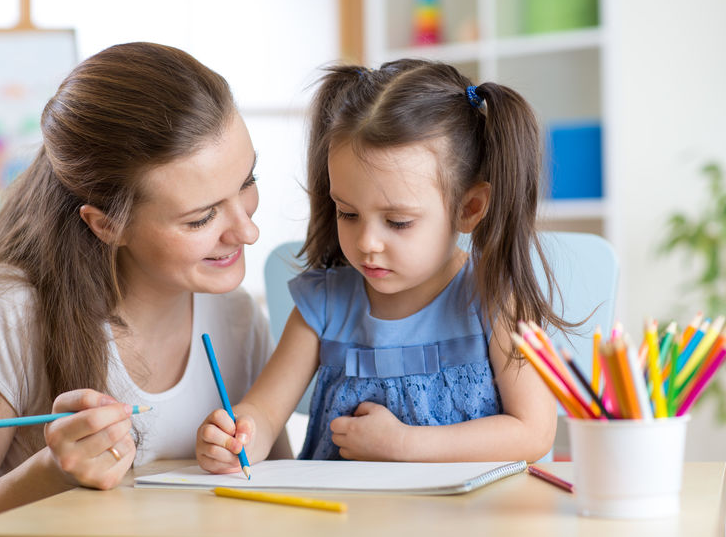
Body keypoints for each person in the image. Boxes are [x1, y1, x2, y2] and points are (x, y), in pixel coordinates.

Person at [0, 42, 289, 537]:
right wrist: (50, 473)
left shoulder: (235, 316)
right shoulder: (4, 315)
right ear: (106, 225)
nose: (247, 232)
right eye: (201, 217)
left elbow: (281, 493)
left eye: (247, 181)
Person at [196, 58, 574, 471]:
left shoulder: (493, 297)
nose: (366, 243)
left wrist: (405, 444)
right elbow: (266, 413)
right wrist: (238, 435)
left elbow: (534, 432)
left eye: (398, 222)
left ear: (469, 208)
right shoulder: (324, 305)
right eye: (347, 213)